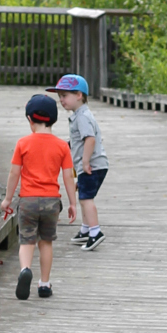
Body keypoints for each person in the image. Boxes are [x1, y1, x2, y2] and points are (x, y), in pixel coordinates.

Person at [1, 92, 76, 301]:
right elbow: (68, 176)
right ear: (53, 119)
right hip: (52, 202)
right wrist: (72, 203)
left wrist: (7, 199)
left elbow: (14, 173)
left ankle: (25, 270)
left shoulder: (23, 144)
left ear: (29, 119)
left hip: (28, 201)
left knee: (27, 241)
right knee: (46, 242)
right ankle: (44, 284)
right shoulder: (62, 146)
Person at [53, 73, 109, 251]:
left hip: (92, 165)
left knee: (86, 199)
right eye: (60, 97)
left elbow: (89, 139)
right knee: (84, 196)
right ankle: (85, 230)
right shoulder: (79, 115)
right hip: (94, 165)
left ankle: (95, 232)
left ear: (79, 95)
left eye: (65, 96)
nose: (61, 100)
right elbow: (79, 139)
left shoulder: (83, 116)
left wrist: (85, 162)